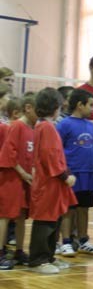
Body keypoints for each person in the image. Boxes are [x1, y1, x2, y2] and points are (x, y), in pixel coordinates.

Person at [28, 88, 77, 274]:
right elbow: (49, 156)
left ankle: (48, 257)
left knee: (54, 220)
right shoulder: (46, 127)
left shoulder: (46, 126)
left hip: (53, 183)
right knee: (45, 221)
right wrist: (65, 176)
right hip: (49, 182)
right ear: (56, 107)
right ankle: (38, 260)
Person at [57, 88, 93, 256]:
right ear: (80, 105)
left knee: (84, 208)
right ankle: (66, 241)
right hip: (73, 173)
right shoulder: (64, 124)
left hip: (89, 173)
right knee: (69, 208)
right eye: (91, 105)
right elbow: (57, 148)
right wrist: (65, 172)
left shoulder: (91, 126)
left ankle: (83, 240)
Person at [0, 96, 36, 269]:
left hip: (25, 179)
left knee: (22, 215)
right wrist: (22, 173)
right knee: (5, 215)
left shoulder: (32, 129)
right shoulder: (16, 126)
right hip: (11, 178)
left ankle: (19, 251)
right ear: (28, 108)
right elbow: (9, 154)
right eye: (38, 110)